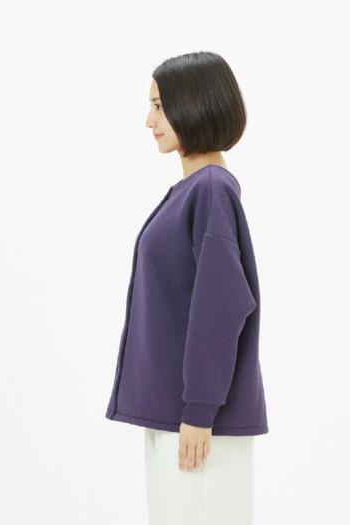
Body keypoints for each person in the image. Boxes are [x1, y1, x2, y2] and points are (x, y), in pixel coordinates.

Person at [105, 51, 268, 525]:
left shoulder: (211, 189)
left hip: (198, 423)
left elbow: (221, 305)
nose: (149, 120)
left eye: (159, 106)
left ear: (193, 104)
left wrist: (200, 408)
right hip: (179, 417)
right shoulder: (196, 190)